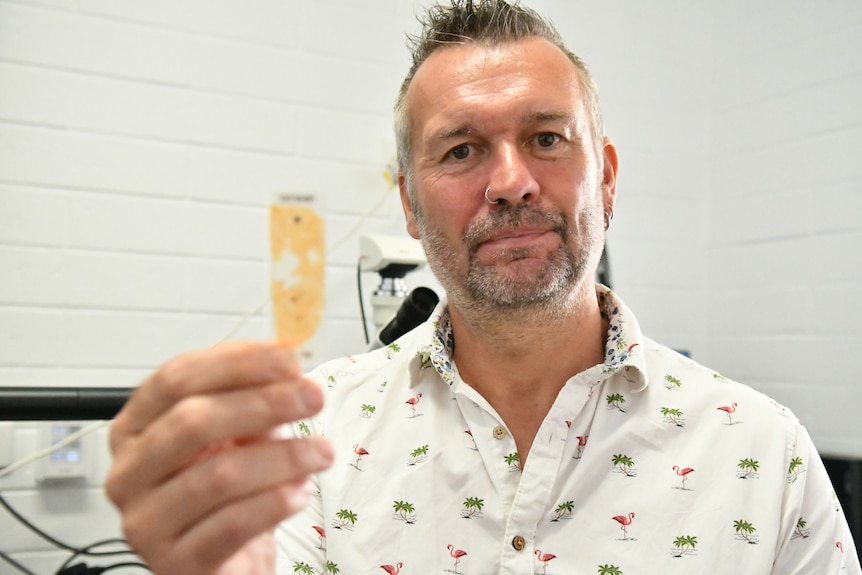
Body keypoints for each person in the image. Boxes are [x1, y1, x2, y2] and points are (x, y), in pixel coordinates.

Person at [106, 1, 861, 574]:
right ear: (408, 203)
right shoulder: (311, 447)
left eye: (545, 138)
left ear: (607, 176)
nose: (510, 182)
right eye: (462, 149)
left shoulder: (761, 451)